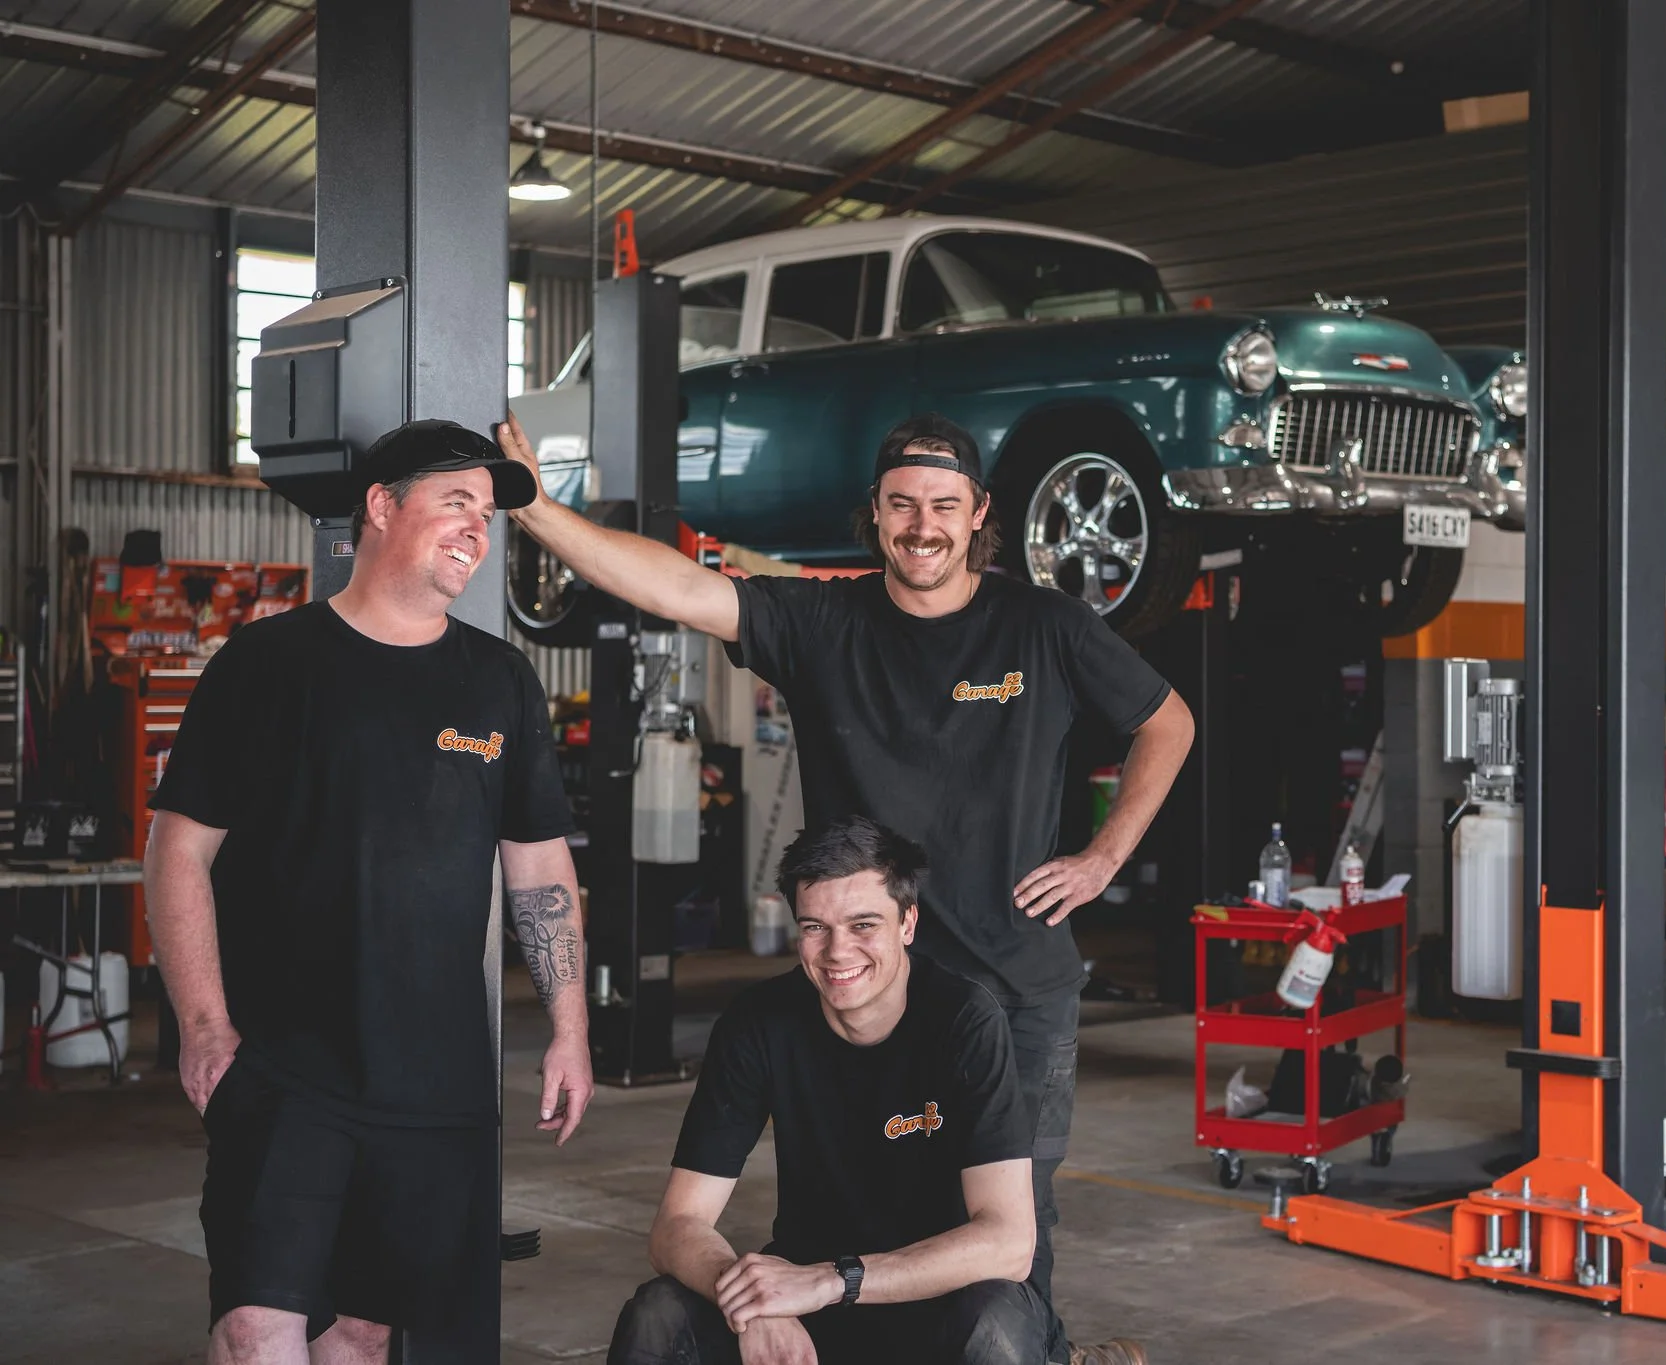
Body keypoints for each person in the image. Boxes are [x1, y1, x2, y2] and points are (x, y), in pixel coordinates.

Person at [500, 409, 1191, 1365]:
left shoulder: (1046, 626)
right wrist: (537, 512)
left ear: (979, 512)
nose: (922, 525)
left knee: (1006, 1246)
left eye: (944, 504)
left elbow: (1169, 722)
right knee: (863, 1200)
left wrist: (1104, 856)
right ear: (876, 511)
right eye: (902, 503)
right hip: (859, 980)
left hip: (1013, 985)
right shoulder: (824, 620)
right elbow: (679, 587)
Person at [146, 419, 595, 1365]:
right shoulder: (268, 664)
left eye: (488, 511)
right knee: (255, 1326)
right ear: (382, 507)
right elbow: (175, 851)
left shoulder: (501, 682)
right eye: (456, 503)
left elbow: (541, 868)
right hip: (283, 1070)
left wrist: (569, 1028)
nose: (478, 527)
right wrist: (203, 1026)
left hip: (435, 1087)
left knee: (363, 1331)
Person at [609, 815, 1058, 1365]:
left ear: (908, 923)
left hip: (941, 1298)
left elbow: (1010, 1243)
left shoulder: (963, 1019)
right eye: (815, 927)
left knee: (996, 1329)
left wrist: (835, 1280)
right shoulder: (759, 1023)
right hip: (806, 1302)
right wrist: (753, 1300)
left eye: (863, 924)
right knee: (659, 1316)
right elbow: (675, 1227)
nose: (837, 952)